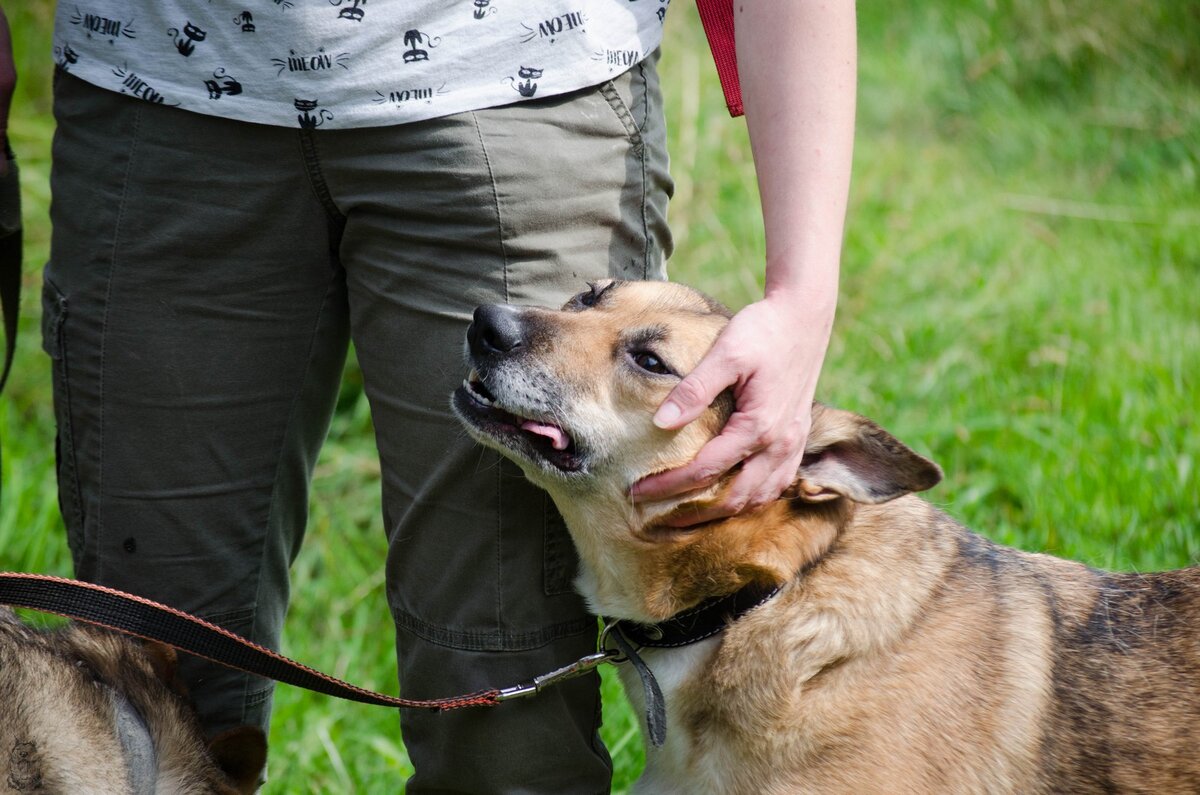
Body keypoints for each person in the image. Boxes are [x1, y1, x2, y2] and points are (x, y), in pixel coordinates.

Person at [2, 1, 854, 791]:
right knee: (139, 716)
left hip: (519, 85)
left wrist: (803, 293)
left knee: (506, 738)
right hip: (156, 87)